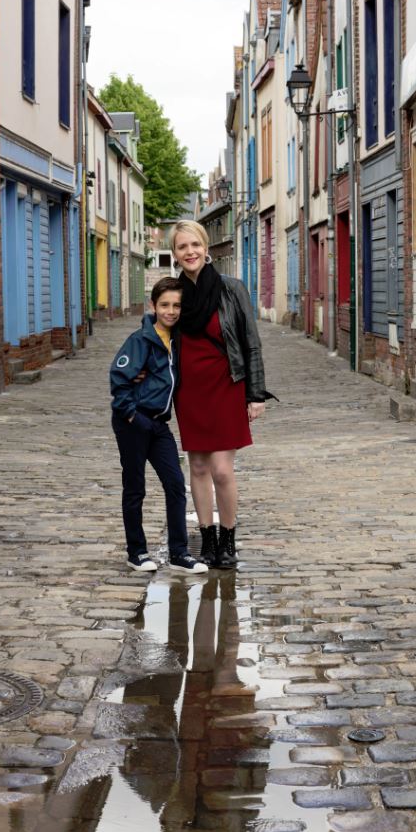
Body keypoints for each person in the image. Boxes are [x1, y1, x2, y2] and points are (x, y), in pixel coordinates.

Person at [170, 220, 276, 569]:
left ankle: (228, 538)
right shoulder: (173, 294)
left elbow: (250, 342)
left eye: (195, 245)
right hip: (190, 391)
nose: (190, 252)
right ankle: (208, 539)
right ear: (175, 254)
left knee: (221, 470)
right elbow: (158, 336)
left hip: (227, 385)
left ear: (207, 248)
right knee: (197, 467)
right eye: (183, 247)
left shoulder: (232, 289)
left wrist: (255, 393)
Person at [110, 276, 208, 575]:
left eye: (177, 305)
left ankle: (179, 553)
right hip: (133, 422)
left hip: (159, 424)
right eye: (165, 304)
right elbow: (118, 379)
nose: (171, 311)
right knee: (135, 487)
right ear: (154, 306)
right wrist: (132, 416)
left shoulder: (179, 340)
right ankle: (136, 552)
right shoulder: (140, 340)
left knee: (176, 485)